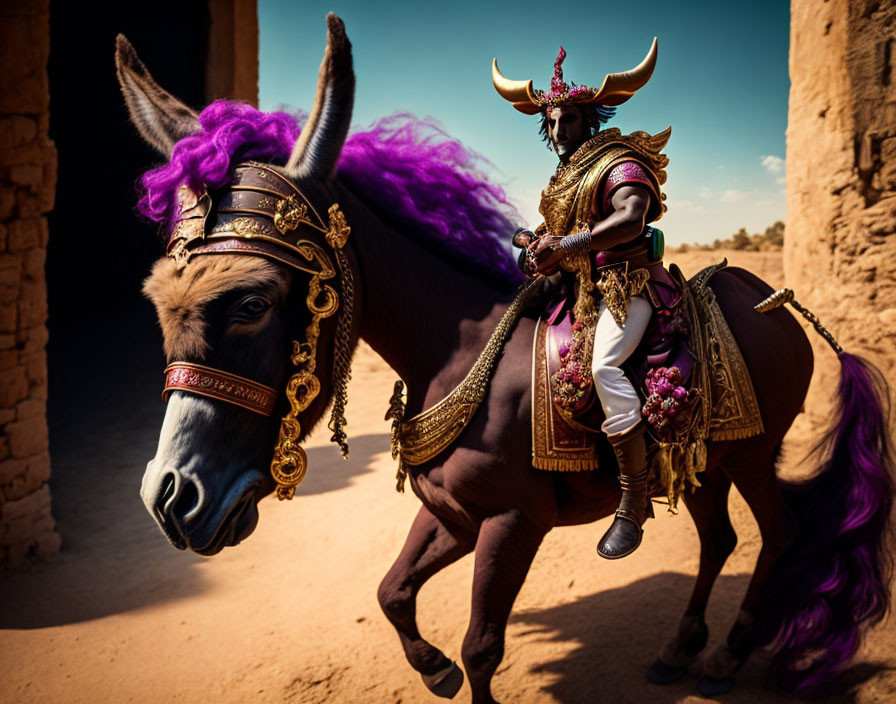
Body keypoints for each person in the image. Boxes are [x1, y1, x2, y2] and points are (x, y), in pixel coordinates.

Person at [493, 41, 675, 559]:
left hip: (628, 287)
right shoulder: (565, 177)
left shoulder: (618, 162)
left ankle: (633, 502)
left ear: (589, 119)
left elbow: (630, 219)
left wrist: (568, 244)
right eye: (550, 123)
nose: (558, 132)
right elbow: (556, 236)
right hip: (579, 292)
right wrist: (535, 245)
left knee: (604, 369)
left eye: (568, 120)